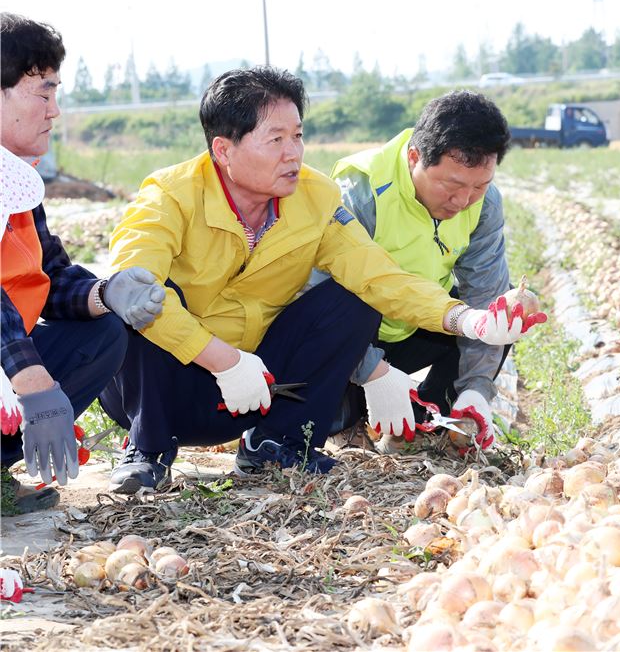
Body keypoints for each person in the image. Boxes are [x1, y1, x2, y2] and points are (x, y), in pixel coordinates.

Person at [99, 67, 544, 493]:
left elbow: (378, 276)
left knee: (353, 298)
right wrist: (223, 361)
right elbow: (131, 289)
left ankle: (277, 443)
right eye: (275, 139)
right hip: (171, 387)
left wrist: (467, 320)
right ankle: (147, 447)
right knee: (142, 296)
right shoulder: (168, 196)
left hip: (261, 388)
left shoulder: (315, 197)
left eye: (297, 136)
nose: (293, 153)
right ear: (224, 149)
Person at [0, 13, 165, 512]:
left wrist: (105, 293)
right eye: (43, 93)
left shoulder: (16, 181)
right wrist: (32, 380)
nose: (55, 110)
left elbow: (49, 278)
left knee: (102, 332)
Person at [328, 91, 524, 452]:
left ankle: (427, 421)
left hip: (419, 325)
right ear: (415, 157)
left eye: (479, 186)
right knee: (335, 308)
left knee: (496, 315)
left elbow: (486, 293)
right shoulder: (361, 192)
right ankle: (345, 423)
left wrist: (476, 388)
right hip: (354, 333)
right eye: (452, 185)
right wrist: (371, 370)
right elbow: (317, 307)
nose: (463, 201)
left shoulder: (484, 204)